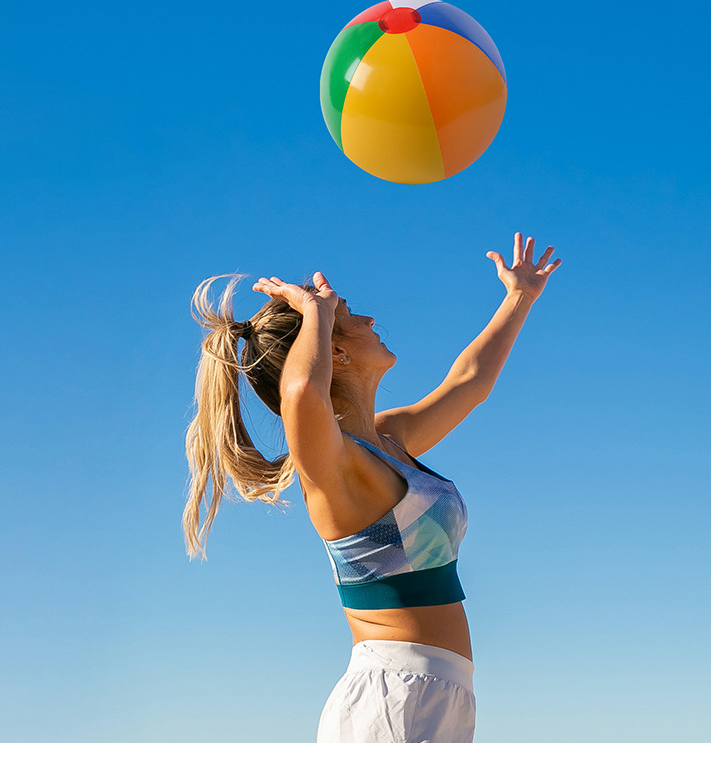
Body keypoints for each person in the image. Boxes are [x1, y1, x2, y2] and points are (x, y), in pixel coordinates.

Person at [183, 232, 561, 743]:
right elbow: (301, 395)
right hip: (390, 697)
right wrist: (316, 312)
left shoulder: (387, 439)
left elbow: (468, 382)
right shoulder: (332, 461)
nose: (369, 320)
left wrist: (520, 297)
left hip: (439, 690)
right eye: (351, 316)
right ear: (334, 352)